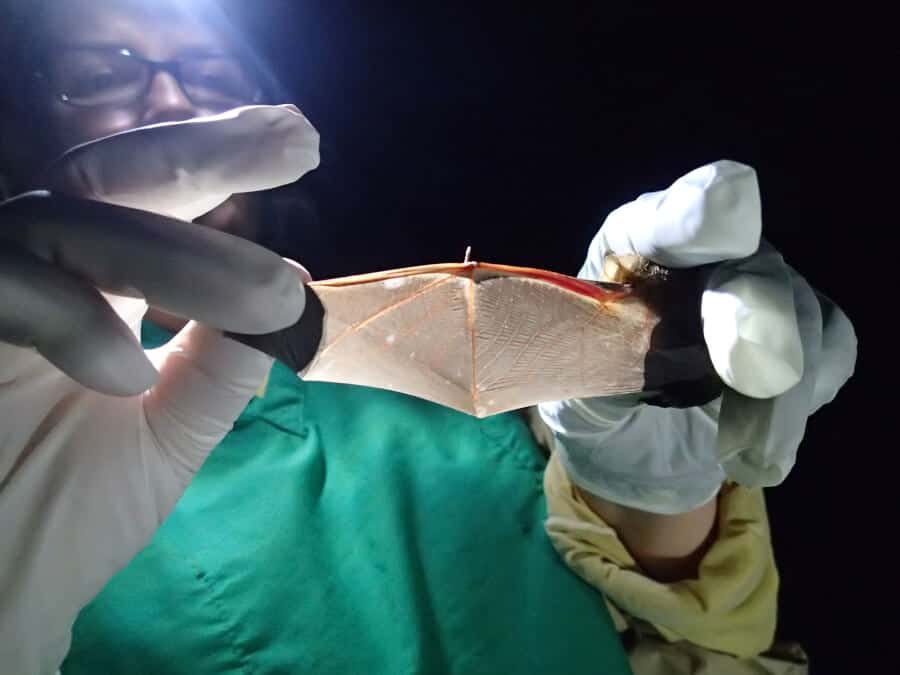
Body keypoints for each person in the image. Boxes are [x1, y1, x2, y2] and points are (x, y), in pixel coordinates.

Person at [0, 2, 856, 674]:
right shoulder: (24, 455)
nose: (172, 98)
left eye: (211, 70)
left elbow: (688, 627)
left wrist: (657, 439)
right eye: (99, 70)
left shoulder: (410, 375)